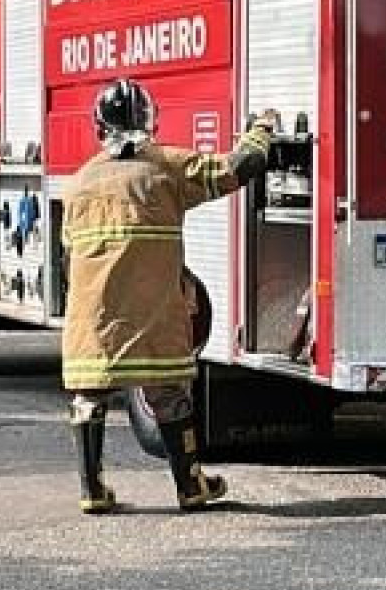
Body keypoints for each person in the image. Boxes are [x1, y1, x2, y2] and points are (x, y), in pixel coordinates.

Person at [61, 80, 280, 513]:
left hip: (93, 318)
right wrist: (261, 130)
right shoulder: (166, 168)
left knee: (89, 396)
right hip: (154, 315)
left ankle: (92, 492)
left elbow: (69, 254)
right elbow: (239, 167)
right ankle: (191, 485)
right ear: (149, 120)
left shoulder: (79, 183)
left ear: (98, 126)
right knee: (170, 395)